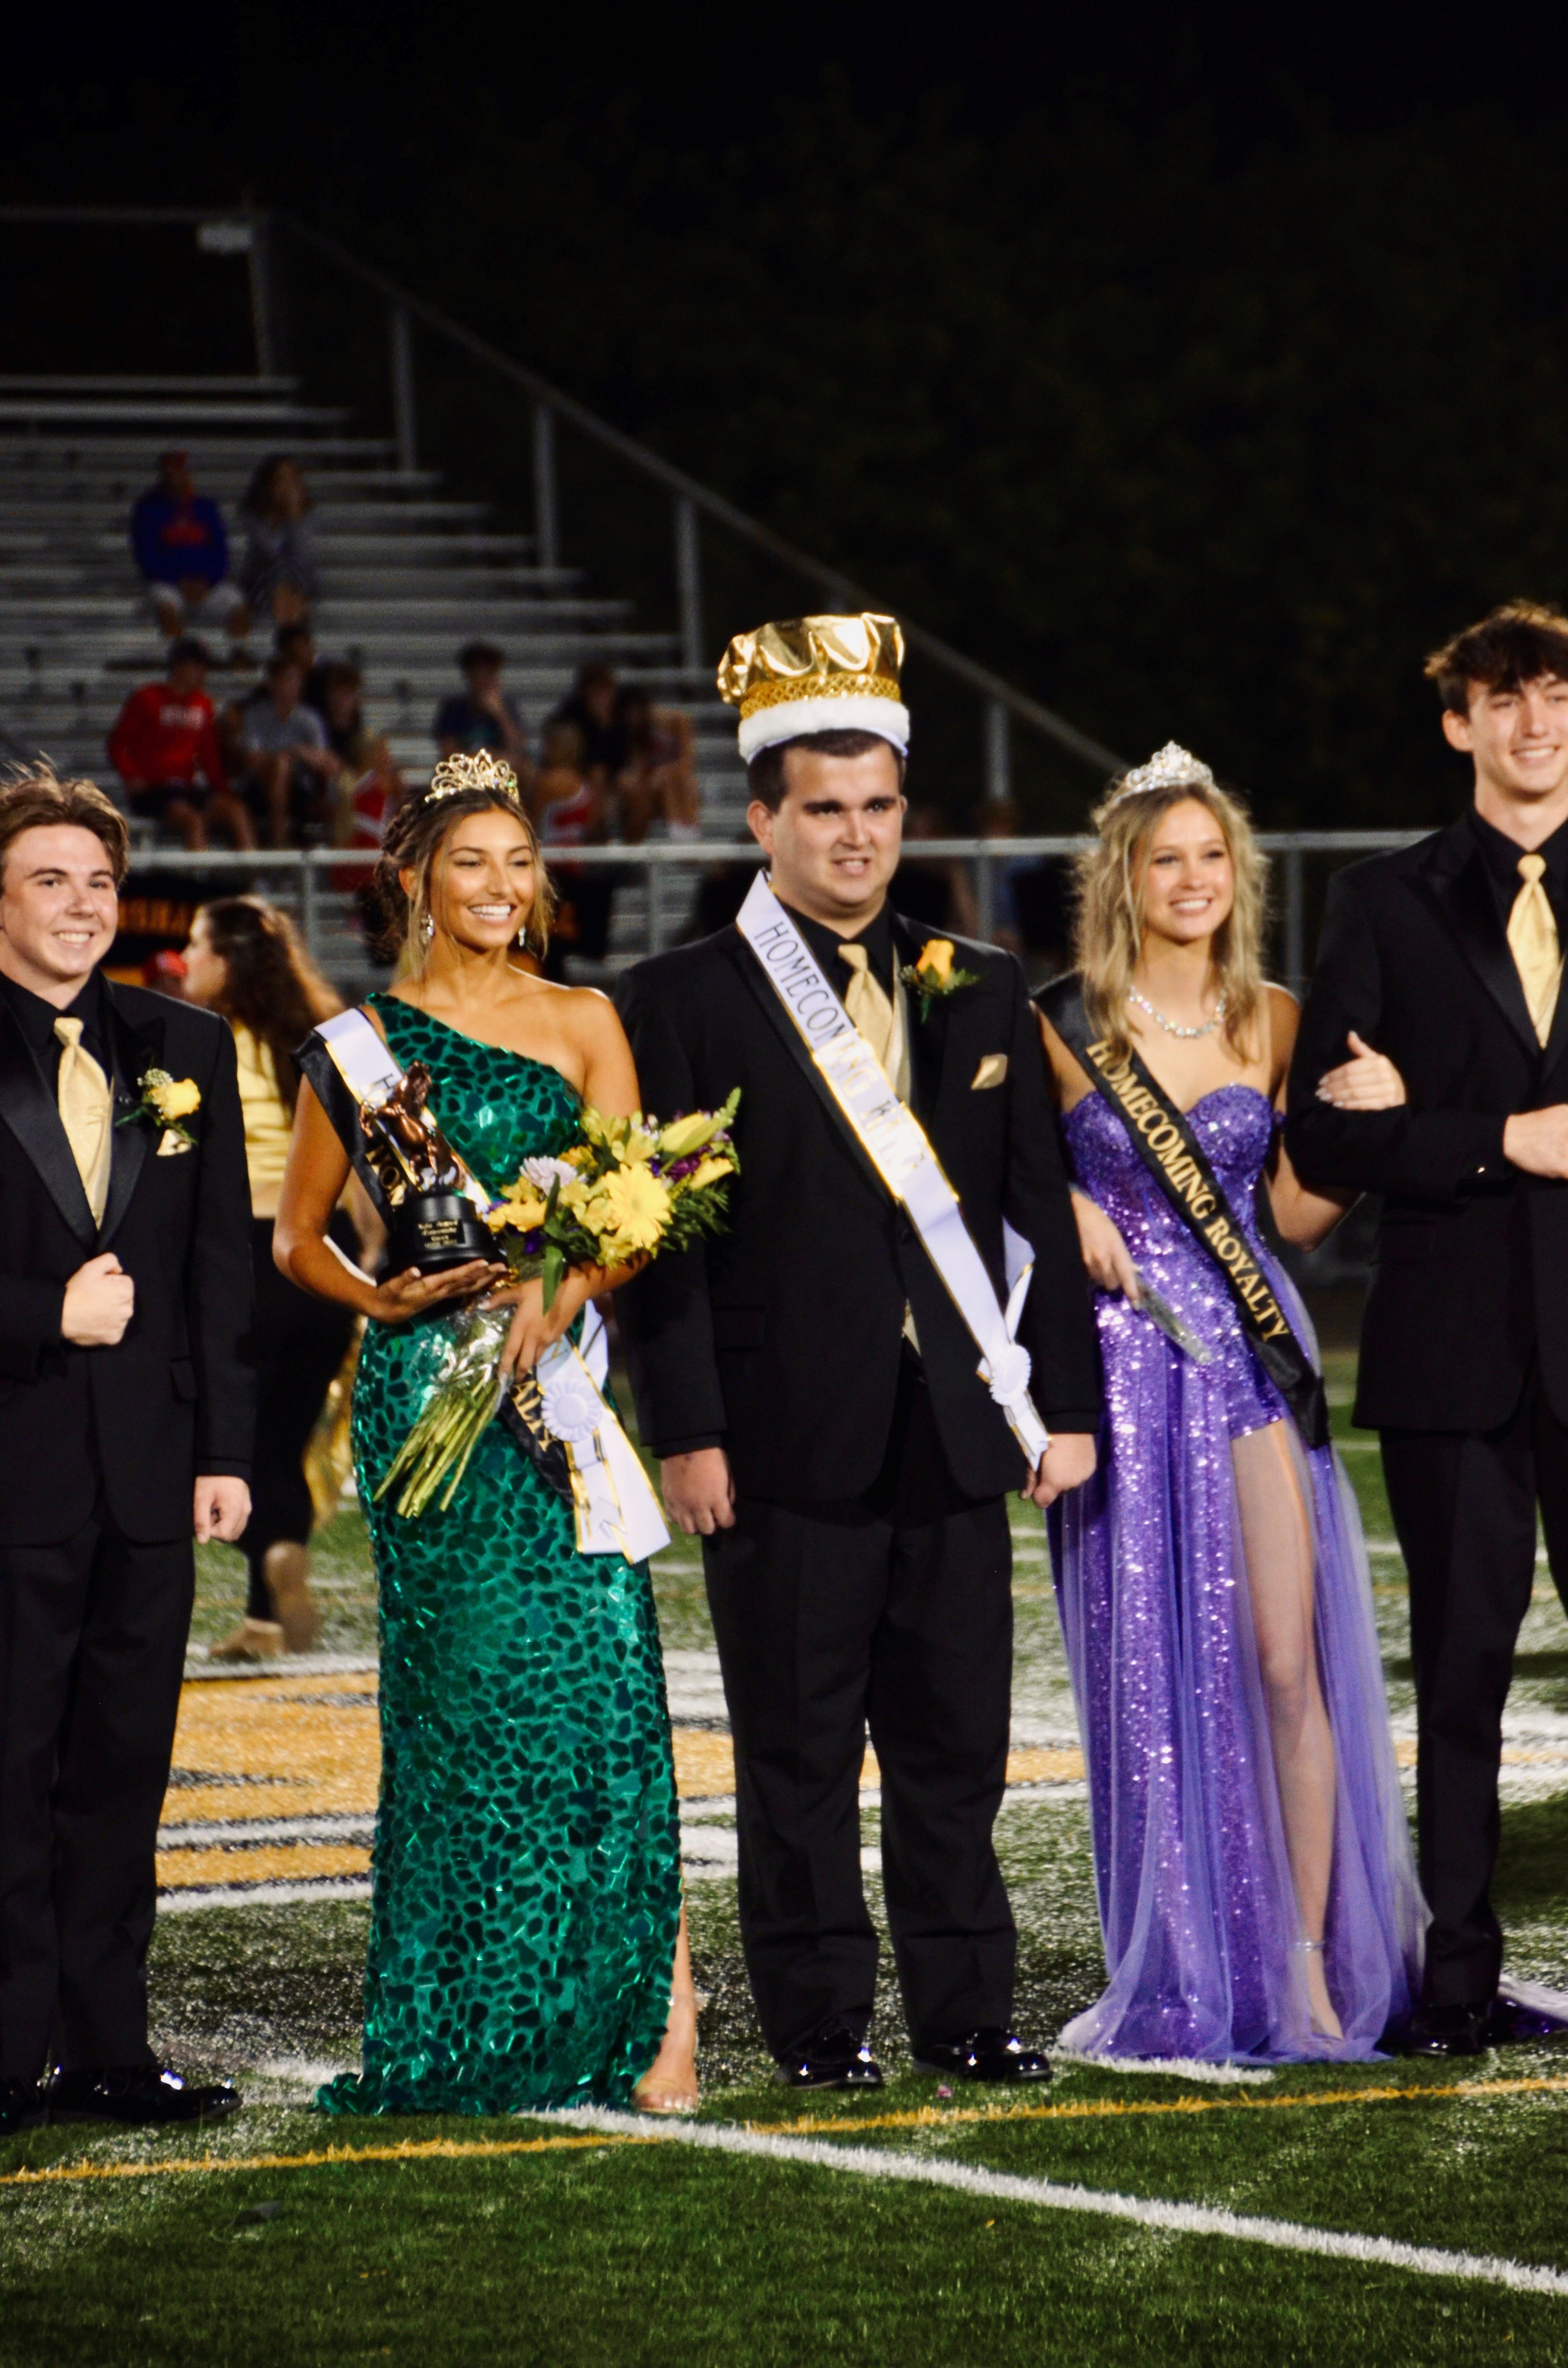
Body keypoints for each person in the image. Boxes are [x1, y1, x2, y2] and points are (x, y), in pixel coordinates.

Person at [615, 614, 1101, 2090]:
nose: (854, 836)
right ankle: (821, 2026)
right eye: (821, 808)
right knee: (798, 1758)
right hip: (778, 1435)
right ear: (761, 816)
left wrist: (1060, 1409)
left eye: (877, 807)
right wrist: (685, 1429)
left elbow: (1036, 1215)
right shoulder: (680, 998)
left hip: (956, 1425)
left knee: (957, 1751)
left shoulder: (982, 977)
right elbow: (662, 1248)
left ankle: (967, 2013)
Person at [272, 751, 697, 2116]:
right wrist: (377, 1291)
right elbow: (296, 1242)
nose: (505, 886)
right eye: (474, 862)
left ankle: (638, 2032)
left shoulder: (585, 1019)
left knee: (599, 1691)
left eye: (521, 862)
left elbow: (641, 1208)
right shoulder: (361, 1047)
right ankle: (469, 2022)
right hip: (424, 1407)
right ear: (414, 881)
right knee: (460, 1716)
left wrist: (560, 1289)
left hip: (551, 1397)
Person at [1036, 745, 1424, 2062]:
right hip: (1123, 1366)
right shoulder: (1060, 1022)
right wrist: (1072, 1202)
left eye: (1212, 857)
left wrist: (1377, 1120)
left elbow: (1298, 1215)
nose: (1192, 879)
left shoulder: (1276, 1016)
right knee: (1152, 1671)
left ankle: (1309, 1968)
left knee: (1281, 1658)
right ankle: (1188, 1966)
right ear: (1125, 878)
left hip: (1252, 1359)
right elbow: (1008, 1191)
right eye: (1167, 859)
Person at [1286, 601, 1568, 2057]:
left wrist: (1424, 1116)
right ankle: (1452, 1980)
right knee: (1460, 1682)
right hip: (1454, 1350)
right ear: (1456, 720)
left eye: (1552, 695)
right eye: (1500, 698)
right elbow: (1321, 1150)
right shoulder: (1379, 903)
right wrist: (1500, 1138)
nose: (1532, 722)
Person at [0, 766, 254, 2139]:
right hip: (13, 1470)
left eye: (98, 882)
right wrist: (47, 1311)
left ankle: (107, 2050)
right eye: (50, 880)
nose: (82, 906)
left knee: (120, 1777)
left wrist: (228, 1449)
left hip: (153, 1479)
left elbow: (222, 1269)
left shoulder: (186, 1044)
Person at [182, 899, 361, 1661]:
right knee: (283, 1440)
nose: (185, 961)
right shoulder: (324, 1044)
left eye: (196, 946)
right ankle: (267, 1603)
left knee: (219, 1441)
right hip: (325, 1262)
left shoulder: (198, 1046)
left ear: (226, 961)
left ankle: (270, 1568)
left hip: (245, 1260)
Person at [107, 637, 254, 853]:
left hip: (186, 787)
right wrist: (131, 776)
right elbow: (117, 744)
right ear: (180, 666)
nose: (203, 673)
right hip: (154, 789)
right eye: (198, 666)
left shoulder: (203, 704)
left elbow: (208, 754)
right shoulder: (147, 698)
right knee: (193, 820)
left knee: (237, 811)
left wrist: (222, 789)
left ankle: (251, 877)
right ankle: (198, 880)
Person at [129, 450, 249, 646]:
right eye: (170, 472)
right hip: (169, 585)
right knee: (166, 608)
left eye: (179, 471)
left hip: (207, 585)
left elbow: (221, 552)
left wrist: (206, 580)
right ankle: (178, 656)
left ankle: (236, 654)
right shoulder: (148, 510)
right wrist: (179, 581)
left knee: (239, 607)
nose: (174, 477)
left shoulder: (205, 508)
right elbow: (147, 556)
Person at [534, 720, 613, 968]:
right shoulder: (586, 786)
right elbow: (592, 829)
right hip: (575, 866)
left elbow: (533, 825)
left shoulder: (549, 782)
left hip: (553, 867)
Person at [239, 654, 336, 847]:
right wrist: (286, 757)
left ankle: (332, 837)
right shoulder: (255, 715)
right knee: (281, 767)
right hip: (259, 786)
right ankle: (279, 839)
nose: (294, 686)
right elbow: (252, 759)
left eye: (297, 681)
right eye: (288, 680)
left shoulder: (310, 718)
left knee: (335, 772)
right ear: (273, 684)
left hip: (301, 784)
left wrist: (298, 752)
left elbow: (324, 759)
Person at [236, 455, 319, 628]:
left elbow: (301, 555)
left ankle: (292, 622)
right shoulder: (253, 515)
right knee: (278, 572)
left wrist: (295, 517)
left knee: (290, 574)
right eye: (282, 480)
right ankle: (287, 624)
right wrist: (276, 518)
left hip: (298, 578)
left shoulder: (307, 515)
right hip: (261, 576)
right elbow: (271, 550)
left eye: (292, 480)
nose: (288, 487)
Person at [613, 684, 699, 841]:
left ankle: (684, 836)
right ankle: (632, 847)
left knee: (677, 782)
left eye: (635, 712)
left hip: (673, 784)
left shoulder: (674, 721)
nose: (633, 718)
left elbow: (687, 762)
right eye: (629, 714)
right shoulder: (630, 734)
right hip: (648, 788)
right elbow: (636, 770)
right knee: (636, 794)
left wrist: (664, 774)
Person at [433, 641, 531, 777]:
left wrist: (500, 714)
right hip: (464, 773)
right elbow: (449, 751)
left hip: (500, 772)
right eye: (479, 673)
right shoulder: (454, 708)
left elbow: (518, 747)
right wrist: (479, 761)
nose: (485, 679)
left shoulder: (508, 707)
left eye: (489, 673)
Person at [547, 659, 621, 786]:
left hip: (612, 773)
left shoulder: (621, 714)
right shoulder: (570, 715)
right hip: (577, 770)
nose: (603, 698)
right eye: (598, 692)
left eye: (606, 691)